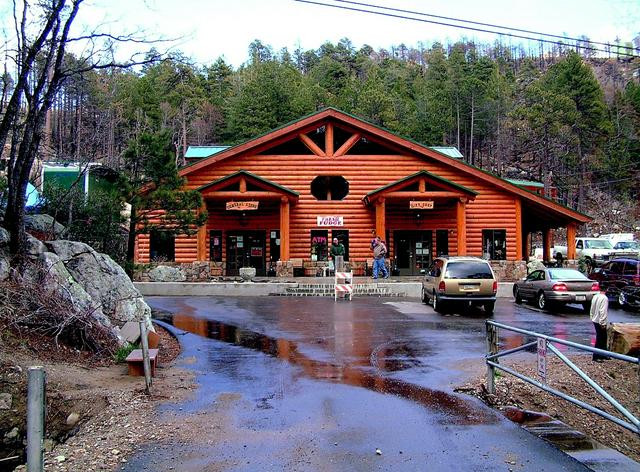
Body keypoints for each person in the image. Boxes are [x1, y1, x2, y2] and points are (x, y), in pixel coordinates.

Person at [590, 287, 609, 361]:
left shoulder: (595, 296)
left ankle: (603, 354)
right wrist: (603, 322)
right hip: (599, 321)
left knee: (603, 337)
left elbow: (592, 308)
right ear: (607, 289)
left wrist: (591, 316)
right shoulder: (604, 298)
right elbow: (603, 311)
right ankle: (596, 355)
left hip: (595, 319)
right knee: (600, 338)